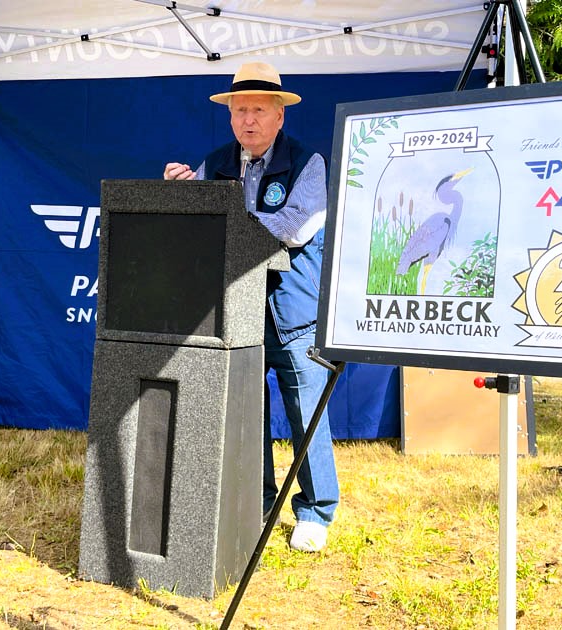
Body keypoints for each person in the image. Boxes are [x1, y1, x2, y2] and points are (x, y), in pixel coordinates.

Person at [163, 62, 338, 552]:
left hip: (291, 311)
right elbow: (194, 222)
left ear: (279, 116)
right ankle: (260, 500)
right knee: (247, 410)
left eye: (259, 110)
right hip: (233, 310)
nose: (248, 120)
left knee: (307, 411)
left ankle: (317, 511)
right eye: (240, 110)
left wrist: (223, 213)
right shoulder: (216, 160)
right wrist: (179, 190)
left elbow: (293, 228)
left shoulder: (309, 162)